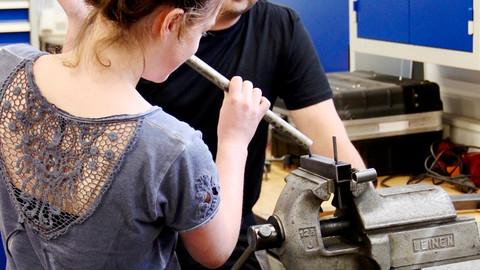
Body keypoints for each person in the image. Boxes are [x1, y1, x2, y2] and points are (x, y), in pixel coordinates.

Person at [64, 0, 366, 269]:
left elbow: (325, 132)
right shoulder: (143, 40)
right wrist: (81, 28)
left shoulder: (279, 26)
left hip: (229, 226)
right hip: (142, 233)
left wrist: (372, 205)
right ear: (169, 24)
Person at [0, 0, 270, 269]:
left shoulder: (7, 65)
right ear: (171, 22)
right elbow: (215, 251)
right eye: (202, 33)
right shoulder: (171, 148)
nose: (196, 47)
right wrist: (235, 141)